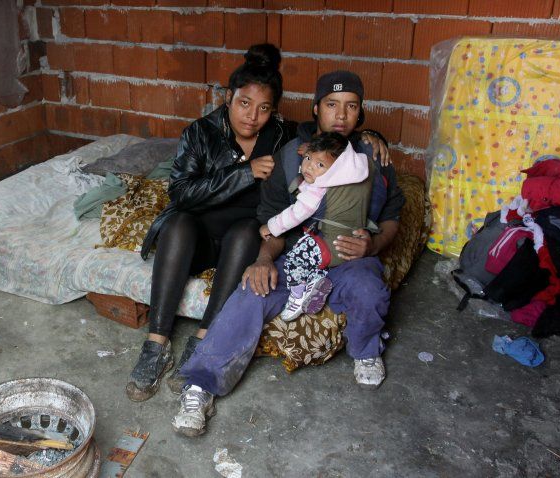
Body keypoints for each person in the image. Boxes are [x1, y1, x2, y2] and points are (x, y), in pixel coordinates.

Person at [171, 70, 405, 436]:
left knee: (369, 289)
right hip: (297, 258)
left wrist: (373, 245)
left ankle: (367, 351)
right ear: (316, 108)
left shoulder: (373, 156)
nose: (340, 115)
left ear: (361, 113)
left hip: (348, 259)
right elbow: (272, 221)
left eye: (351, 106)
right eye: (331, 105)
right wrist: (264, 259)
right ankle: (201, 384)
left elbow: (391, 216)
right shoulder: (292, 157)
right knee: (250, 292)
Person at [125, 43, 296, 402]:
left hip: (241, 246)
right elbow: (181, 193)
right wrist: (245, 172)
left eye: (264, 108)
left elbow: (330, 135)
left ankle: (204, 339)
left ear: (274, 110)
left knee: (247, 230)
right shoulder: (201, 132)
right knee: (177, 224)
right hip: (197, 241)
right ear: (228, 97)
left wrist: (370, 138)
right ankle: (156, 344)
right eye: (244, 103)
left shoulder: (282, 136)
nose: (252, 116)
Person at [259, 132, 373, 320]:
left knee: (295, 259)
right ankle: (315, 283)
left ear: (336, 168)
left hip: (329, 245)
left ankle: (297, 296)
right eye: (307, 159)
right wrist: (317, 157)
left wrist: (270, 227)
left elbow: (296, 214)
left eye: (320, 165)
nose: (309, 166)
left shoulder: (319, 188)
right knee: (310, 260)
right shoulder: (352, 171)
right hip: (344, 245)